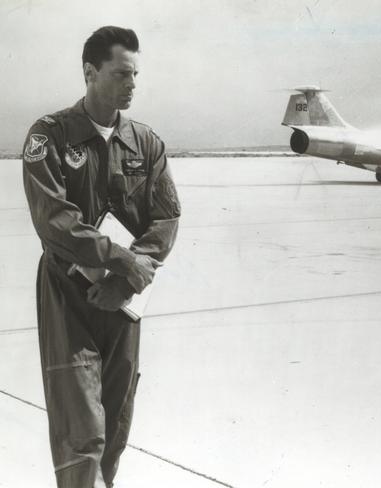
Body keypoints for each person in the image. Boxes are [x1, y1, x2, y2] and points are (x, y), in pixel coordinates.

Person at [22, 26, 181, 488]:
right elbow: (54, 220)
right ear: (90, 73)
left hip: (124, 301)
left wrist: (129, 277)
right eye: (121, 74)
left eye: (135, 75)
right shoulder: (49, 135)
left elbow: (166, 218)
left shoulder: (146, 143)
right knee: (81, 431)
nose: (132, 84)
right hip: (68, 296)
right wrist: (120, 259)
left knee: (114, 425)